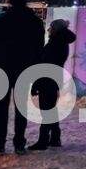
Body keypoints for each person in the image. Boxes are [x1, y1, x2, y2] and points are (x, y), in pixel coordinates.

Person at [0, 0, 44, 155]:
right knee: (21, 107)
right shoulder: (34, 22)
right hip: (24, 67)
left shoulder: (1, 21)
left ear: (11, 2)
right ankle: (19, 142)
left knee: (1, 107)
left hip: (3, 67)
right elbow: (39, 48)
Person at [29, 19, 76, 151]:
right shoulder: (60, 43)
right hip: (52, 80)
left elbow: (44, 66)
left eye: (51, 28)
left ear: (57, 30)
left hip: (47, 80)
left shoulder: (55, 45)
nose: (49, 30)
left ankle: (43, 140)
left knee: (46, 110)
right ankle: (55, 137)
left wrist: (36, 84)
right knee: (50, 109)